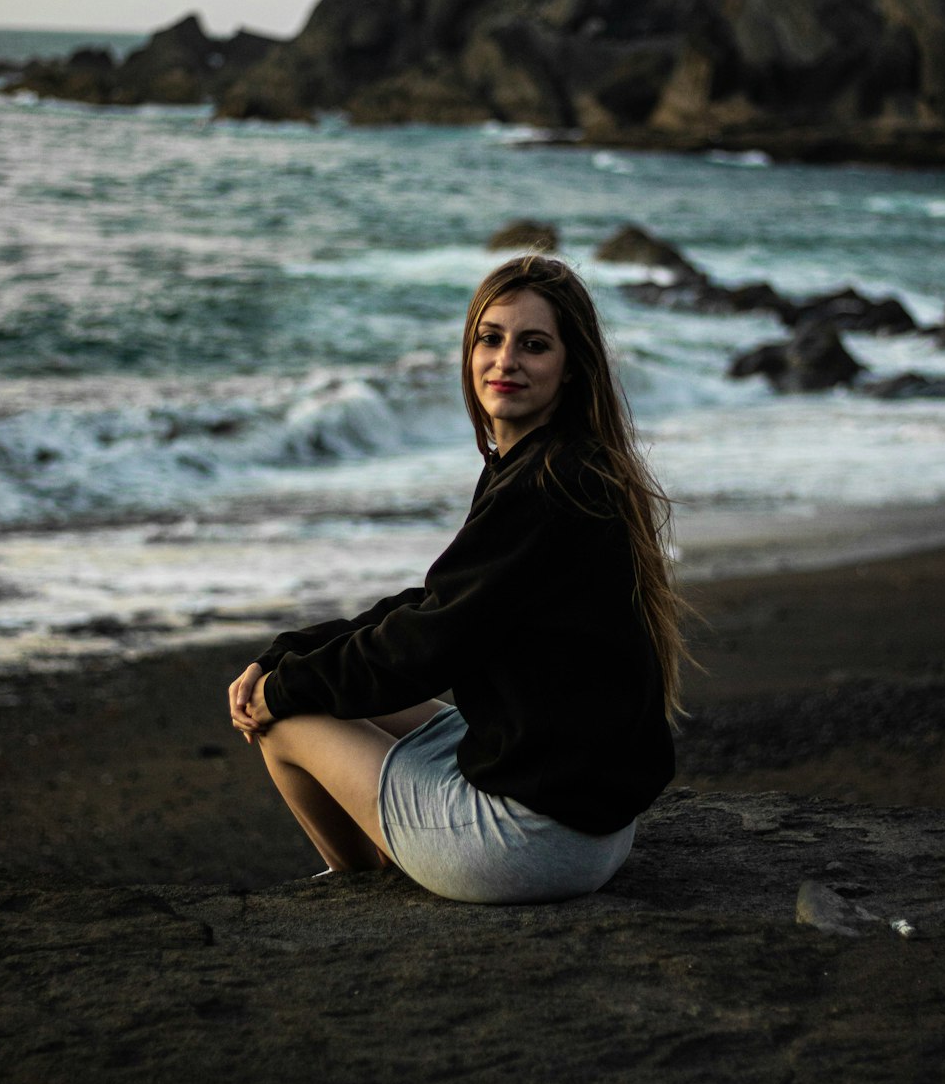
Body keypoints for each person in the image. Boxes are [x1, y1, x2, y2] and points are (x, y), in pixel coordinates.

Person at [228, 255, 684, 903]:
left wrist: (280, 686)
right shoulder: (558, 463)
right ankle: (378, 856)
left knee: (283, 718)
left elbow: (425, 647)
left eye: (534, 345)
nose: (506, 361)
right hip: (590, 822)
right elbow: (437, 606)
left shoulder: (546, 488)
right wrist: (290, 650)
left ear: (572, 366)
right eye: (489, 338)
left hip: (532, 842)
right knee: (314, 686)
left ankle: (357, 889)